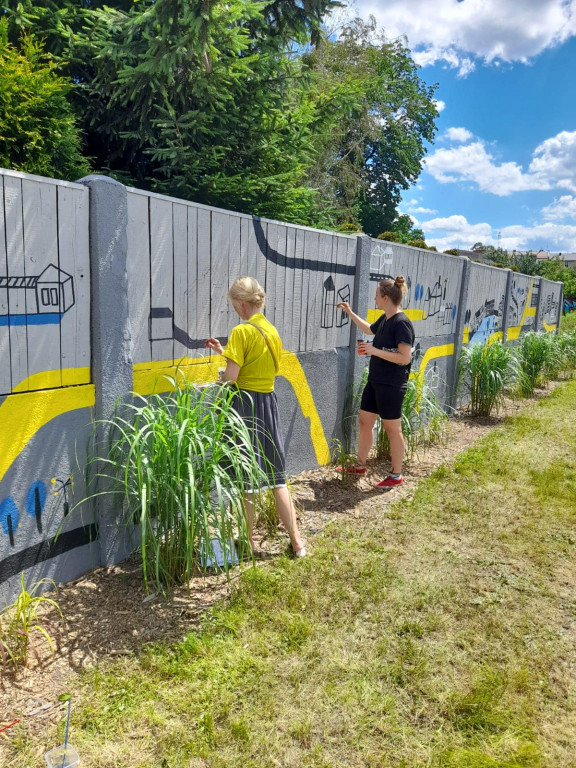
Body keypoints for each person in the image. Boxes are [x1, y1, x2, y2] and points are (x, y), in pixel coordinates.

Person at [205, 277, 306, 557]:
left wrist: (219, 383)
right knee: (277, 479)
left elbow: (233, 378)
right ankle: (297, 543)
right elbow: (256, 365)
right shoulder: (272, 331)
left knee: (245, 482)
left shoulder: (241, 331)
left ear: (240, 304)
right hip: (268, 406)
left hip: (244, 407)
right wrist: (223, 354)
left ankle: (247, 543)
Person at [337, 275, 415, 488]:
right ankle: (360, 465)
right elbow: (368, 329)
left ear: (386, 297)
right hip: (375, 381)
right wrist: (350, 312)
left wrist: (374, 351)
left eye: (376, 296)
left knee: (392, 430)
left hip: (391, 384)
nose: (374, 299)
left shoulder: (402, 323)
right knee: (364, 421)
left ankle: (396, 475)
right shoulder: (385, 319)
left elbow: (404, 358)